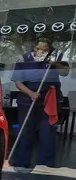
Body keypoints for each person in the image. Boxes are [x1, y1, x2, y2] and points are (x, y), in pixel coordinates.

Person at [10, 40, 70, 169]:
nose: (40, 52)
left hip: (49, 100)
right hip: (27, 100)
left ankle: (45, 166)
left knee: (47, 133)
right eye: (38, 49)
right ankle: (21, 164)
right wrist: (31, 93)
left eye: (44, 49)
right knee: (25, 132)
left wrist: (53, 62)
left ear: (49, 50)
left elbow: (65, 72)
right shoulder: (24, 59)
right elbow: (18, 82)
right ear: (34, 48)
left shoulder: (55, 58)